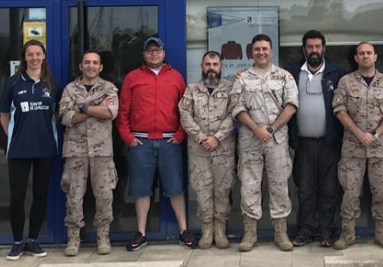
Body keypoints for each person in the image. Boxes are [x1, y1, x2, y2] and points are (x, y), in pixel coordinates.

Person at [116, 37, 196, 250]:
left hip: (170, 140)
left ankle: (183, 231)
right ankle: (141, 233)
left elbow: (185, 110)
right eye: (149, 50)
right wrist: (127, 137)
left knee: (176, 188)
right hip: (140, 142)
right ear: (144, 54)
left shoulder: (176, 77)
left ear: (164, 52)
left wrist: (180, 134)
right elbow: (122, 111)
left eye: (157, 50)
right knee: (142, 190)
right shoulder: (133, 78)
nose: (154, 54)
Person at [228, 34, 299, 252]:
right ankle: (250, 234)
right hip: (250, 140)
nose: (261, 52)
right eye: (257, 49)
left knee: (279, 185)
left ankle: (281, 233)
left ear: (271, 51)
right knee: (249, 185)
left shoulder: (284, 77)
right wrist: (257, 129)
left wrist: (271, 128)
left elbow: (291, 105)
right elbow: (237, 108)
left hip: (276, 140)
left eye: (265, 49)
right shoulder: (241, 78)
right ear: (251, 52)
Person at [331, 42, 383, 250]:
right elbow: (339, 110)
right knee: (350, 193)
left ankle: (382, 233)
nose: (365, 56)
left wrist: (375, 134)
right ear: (356, 58)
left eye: (369, 53)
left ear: (376, 56)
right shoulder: (346, 82)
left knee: (382, 191)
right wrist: (359, 134)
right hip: (353, 148)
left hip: (380, 150)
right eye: (361, 53)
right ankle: (348, 234)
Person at [0, 39, 59, 261]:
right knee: (17, 197)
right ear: (25, 57)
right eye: (30, 54)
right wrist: (15, 136)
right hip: (18, 150)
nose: (35, 58)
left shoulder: (53, 84)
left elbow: (57, 115)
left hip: (45, 149)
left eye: (38, 54)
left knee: (40, 195)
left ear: (44, 57)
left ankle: (32, 240)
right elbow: (4, 116)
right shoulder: (13, 83)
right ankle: (16, 241)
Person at [285, 30, 346, 248]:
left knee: (330, 189)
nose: (314, 50)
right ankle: (305, 230)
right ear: (304, 49)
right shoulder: (291, 73)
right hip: (303, 143)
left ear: (324, 48)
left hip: (330, 142)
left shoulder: (337, 72)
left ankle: (327, 231)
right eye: (310, 47)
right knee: (305, 189)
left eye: (317, 46)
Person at [58, 50, 119, 256]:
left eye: (95, 63)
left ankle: (103, 236)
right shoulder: (69, 88)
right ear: (81, 66)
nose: (91, 66)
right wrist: (94, 107)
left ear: (100, 67)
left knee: (104, 195)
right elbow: (65, 117)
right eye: (87, 62)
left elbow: (110, 113)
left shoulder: (109, 88)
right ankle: (73, 239)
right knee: (74, 196)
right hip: (75, 152)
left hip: (102, 151)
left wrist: (81, 107)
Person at [178, 51, 236, 249]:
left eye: (215, 64)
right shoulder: (192, 89)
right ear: (202, 66)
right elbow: (185, 115)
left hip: (223, 150)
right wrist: (203, 138)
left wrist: (216, 138)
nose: (211, 68)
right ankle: (207, 229)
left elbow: (234, 115)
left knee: (222, 190)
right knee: (201, 190)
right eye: (208, 64)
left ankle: (220, 230)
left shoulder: (230, 88)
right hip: (199, 150)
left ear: (221, 67)